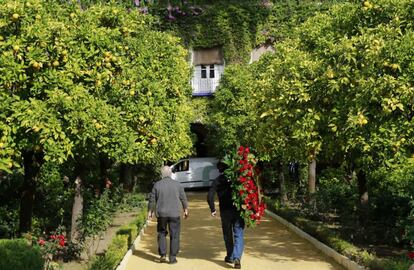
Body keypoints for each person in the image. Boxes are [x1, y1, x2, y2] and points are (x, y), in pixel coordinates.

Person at [148, 166, 189, 264]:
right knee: (174, 235)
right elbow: (183, 198)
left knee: (161, 233)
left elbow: (152, 199)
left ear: (162, 174)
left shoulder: (157, 185)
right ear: (170, 173)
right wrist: (185, 209)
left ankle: (162, 255)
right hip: (174, 213)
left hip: (161, 214)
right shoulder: (177, 184)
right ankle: (172, 258)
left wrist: (150, 211)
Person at [207, 162, 244, 269]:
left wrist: (212, 209)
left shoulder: (217, 181)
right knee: (238, 235)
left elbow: (210, 196)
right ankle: (237, 257)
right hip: (238, 211)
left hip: (225, 212)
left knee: (227, 234)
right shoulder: (237, 179)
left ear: (219, 169)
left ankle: (230, 256)